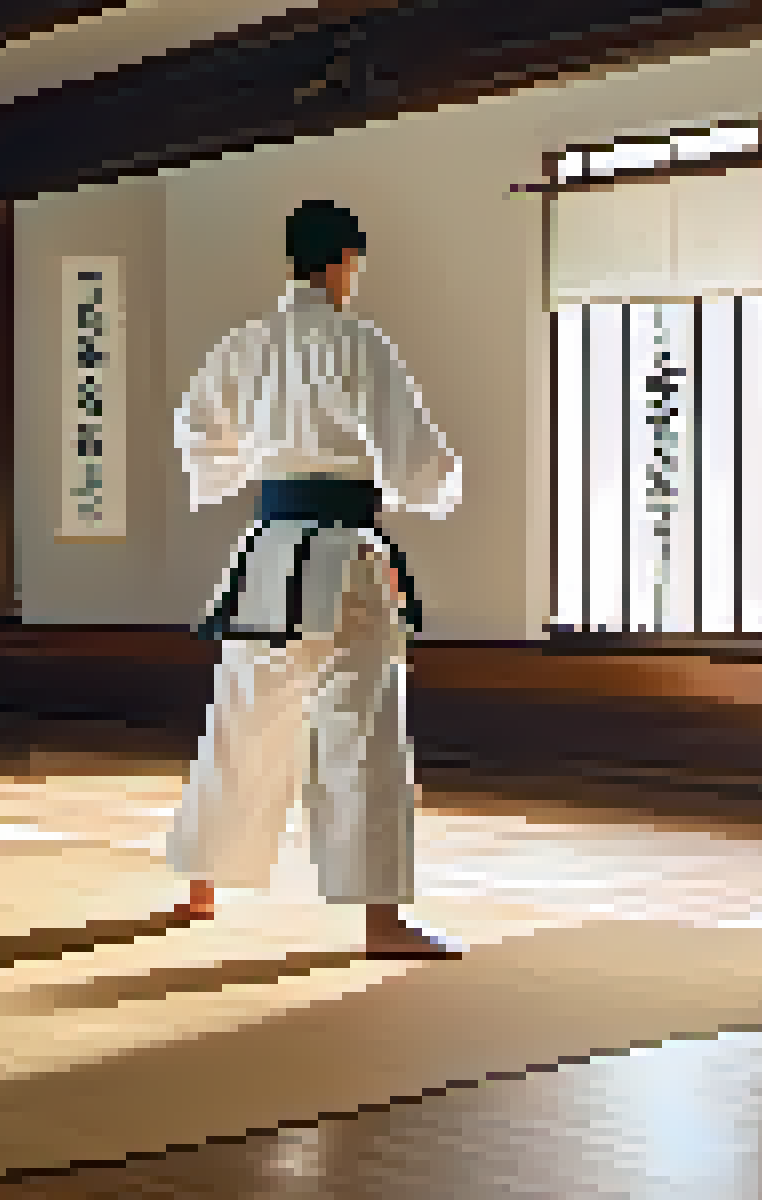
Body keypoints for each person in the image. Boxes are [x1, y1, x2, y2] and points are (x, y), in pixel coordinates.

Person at [168, 200, 464, 960]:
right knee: (362, 731)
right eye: (353, 266)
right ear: (343, 262)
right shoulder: (362, 345)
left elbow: (200, 428)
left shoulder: (246, 346)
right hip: (342, 558)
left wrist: (246, 465)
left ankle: (202, 882)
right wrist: (436, 488)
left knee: (243, 713)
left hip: (266, 553)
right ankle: (381, 921)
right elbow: (415, 459)